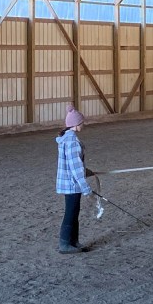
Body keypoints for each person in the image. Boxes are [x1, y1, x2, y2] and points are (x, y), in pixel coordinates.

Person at [56, 104, 92, 254]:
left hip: (70, 182)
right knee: (71, 212)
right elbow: (75, 167)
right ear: (76, 124)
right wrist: (86, 187)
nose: (83, 125)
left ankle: (73, 241)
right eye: (82, 122)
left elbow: (75, 165)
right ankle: (65, 244)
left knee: (74, 212)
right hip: (72, 184)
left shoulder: (67, 139)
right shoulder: (72, 142)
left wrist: (87, 172)